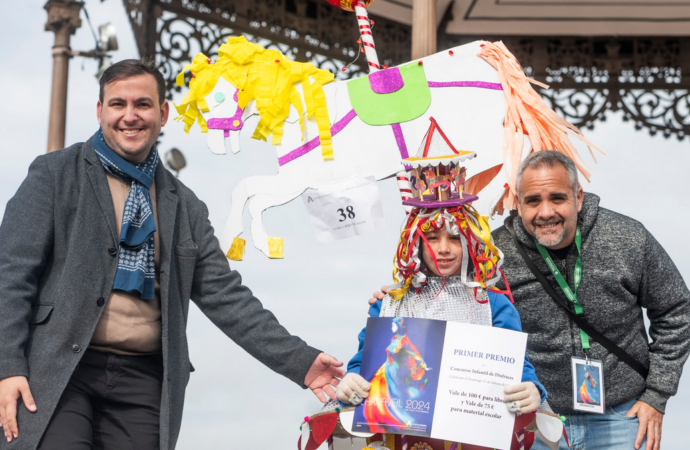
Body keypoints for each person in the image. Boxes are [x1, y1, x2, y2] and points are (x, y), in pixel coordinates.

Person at [0, 59, 344, 450]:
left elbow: (227, 297)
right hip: (61, 369)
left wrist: (300, 362)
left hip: (144, 380)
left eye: (143, 105)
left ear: (163, 113)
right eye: (118, 104)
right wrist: (7, 367)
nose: (130, 116)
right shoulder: (54, 174)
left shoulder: (185, 207)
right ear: (100, 111)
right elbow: (10, 274)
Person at [371, 151, 690, 450]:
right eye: (533, 201)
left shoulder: (628, 238)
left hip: (621, 418)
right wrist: (397, 301)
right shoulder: (494, 255)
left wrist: (656, 395)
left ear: (578, 197)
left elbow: (678, 310)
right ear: (517, 203)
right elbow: (449, 303)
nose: (546, 211)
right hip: (533, 422)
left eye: (558, 198)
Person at [338, 152, 548, 449]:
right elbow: (363, 365)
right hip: (405, 439)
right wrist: (348, 382)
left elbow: (518, 368)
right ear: (415, 243)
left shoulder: (494, 304)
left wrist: (532, 389)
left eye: (454, 238)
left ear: (470, 241)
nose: (444, 249)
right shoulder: (388, 303)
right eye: (432, 237)